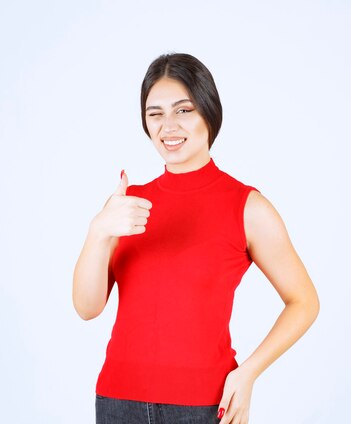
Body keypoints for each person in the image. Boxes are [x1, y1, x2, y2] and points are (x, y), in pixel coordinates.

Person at [73, 53, 319, 424]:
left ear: (208, 112)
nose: (168, 126)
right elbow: (87, 308)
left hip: (202, 406)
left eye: (183, 110)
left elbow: (304, 301)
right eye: (155, 113)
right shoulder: (127, 204)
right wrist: (97, 230)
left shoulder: (248, 207)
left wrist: (248, 372)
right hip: (116, 401)